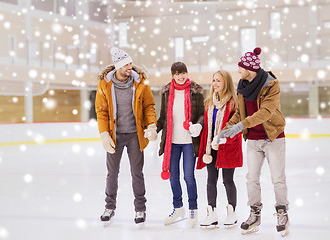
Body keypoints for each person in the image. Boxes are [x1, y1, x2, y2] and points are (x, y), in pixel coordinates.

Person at [216, 47, 289, 236]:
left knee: (278, 179)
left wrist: (240, 126)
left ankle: (282, 212)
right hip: (254, 139)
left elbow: (266, 112)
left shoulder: (271, 84)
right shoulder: (242, 86)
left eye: (240, 67)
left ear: (250, 68)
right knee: (251, 179)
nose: (238, 70)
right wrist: (227, 128)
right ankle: (255, 214)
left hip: (273, 136)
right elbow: (240, 113)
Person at [95, 47, 157, 225]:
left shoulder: (140, 82)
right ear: (117, 66)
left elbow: (148, 106)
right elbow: (101, 111)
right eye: (126, 64)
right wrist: (104, 134)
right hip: (115, 136)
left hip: (135, 135)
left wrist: (151, 125)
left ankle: (140, 209)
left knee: (137, 173)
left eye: (130, 63)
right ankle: (109, 207)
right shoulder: (105, 84)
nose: (130, 66)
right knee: (112, 173)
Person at [157, 62, 204, 227]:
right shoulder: (166, 93)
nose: (180, 76)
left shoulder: (196, 92)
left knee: (189, 177)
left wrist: (198, 125)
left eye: (183, 72)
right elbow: (163, 117)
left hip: (189, 142)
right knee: (173, 177)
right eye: (177, 73)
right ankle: (178, 208)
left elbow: (201, 115)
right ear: (172, 75)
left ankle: (193, 209)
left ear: (186, 73)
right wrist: (152, 129)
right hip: (172, 143)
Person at [196, 70, 243, 229]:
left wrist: (223, 139)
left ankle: (232, 211)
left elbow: (237, 127)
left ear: (226, 83)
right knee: (211, 180)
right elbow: (206, 121)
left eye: (219, 81)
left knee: (228, 180)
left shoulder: (234, 103)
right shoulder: (209, 102)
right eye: (214, 80)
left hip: (227, 147)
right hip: (211, 148)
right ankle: (212, 213)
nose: (215, 84)